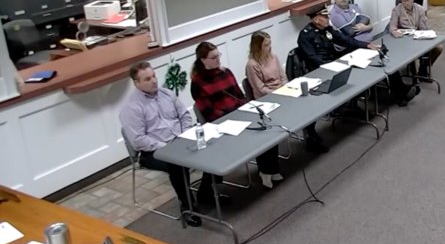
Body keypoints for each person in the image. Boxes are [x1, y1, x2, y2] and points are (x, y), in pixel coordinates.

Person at [119, 61, 209, 227]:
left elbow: (185, 116)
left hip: (179, 140)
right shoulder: (131, 108)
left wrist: (185, 134)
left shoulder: (167, 94)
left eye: (153, 76)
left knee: (209, 146)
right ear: (136, 83)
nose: (154, 81)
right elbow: (139, 140)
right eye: (147, 79)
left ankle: (207, 191)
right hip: (152, 151)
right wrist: (166, 148)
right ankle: (188, 206)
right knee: (177, 164)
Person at [191, 42, 285, 185]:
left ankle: (269, 169)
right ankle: (266, 171)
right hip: (223, 123)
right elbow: (209, 112)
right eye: (214, 57)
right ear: (203, 60)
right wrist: (233, 116)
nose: (218, 59)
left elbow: (240, 96)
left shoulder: (226, 72)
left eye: (219, 55)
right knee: (256, 134)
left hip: (239, 114)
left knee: (268, 127)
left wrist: (244, 109)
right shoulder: (198, 82)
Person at [244, 31, 320, 188]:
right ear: (257, 47)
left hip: (283, 91)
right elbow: (259, 89)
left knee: (308, 108)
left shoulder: (274, 56)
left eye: (270, 43)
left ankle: (312, 137)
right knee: (271, 133)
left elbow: (283, 76)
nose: (269, 47)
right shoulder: (252, 65)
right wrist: (279, 93)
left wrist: (286, 88)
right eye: (266, 45)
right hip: (267, 100)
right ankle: (266, 171)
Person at [389, 0, 443, 77]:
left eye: (408, 0)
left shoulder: (420, 9)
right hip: (404, 39)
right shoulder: (396, 10)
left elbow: (424, 28)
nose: (406, 3)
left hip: (418, 37)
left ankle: (423, 67)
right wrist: (394, 32)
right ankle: (414, 74)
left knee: (439, 48)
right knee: (412, 53)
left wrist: (421, 33)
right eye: (403, 1)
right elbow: (392, 26)